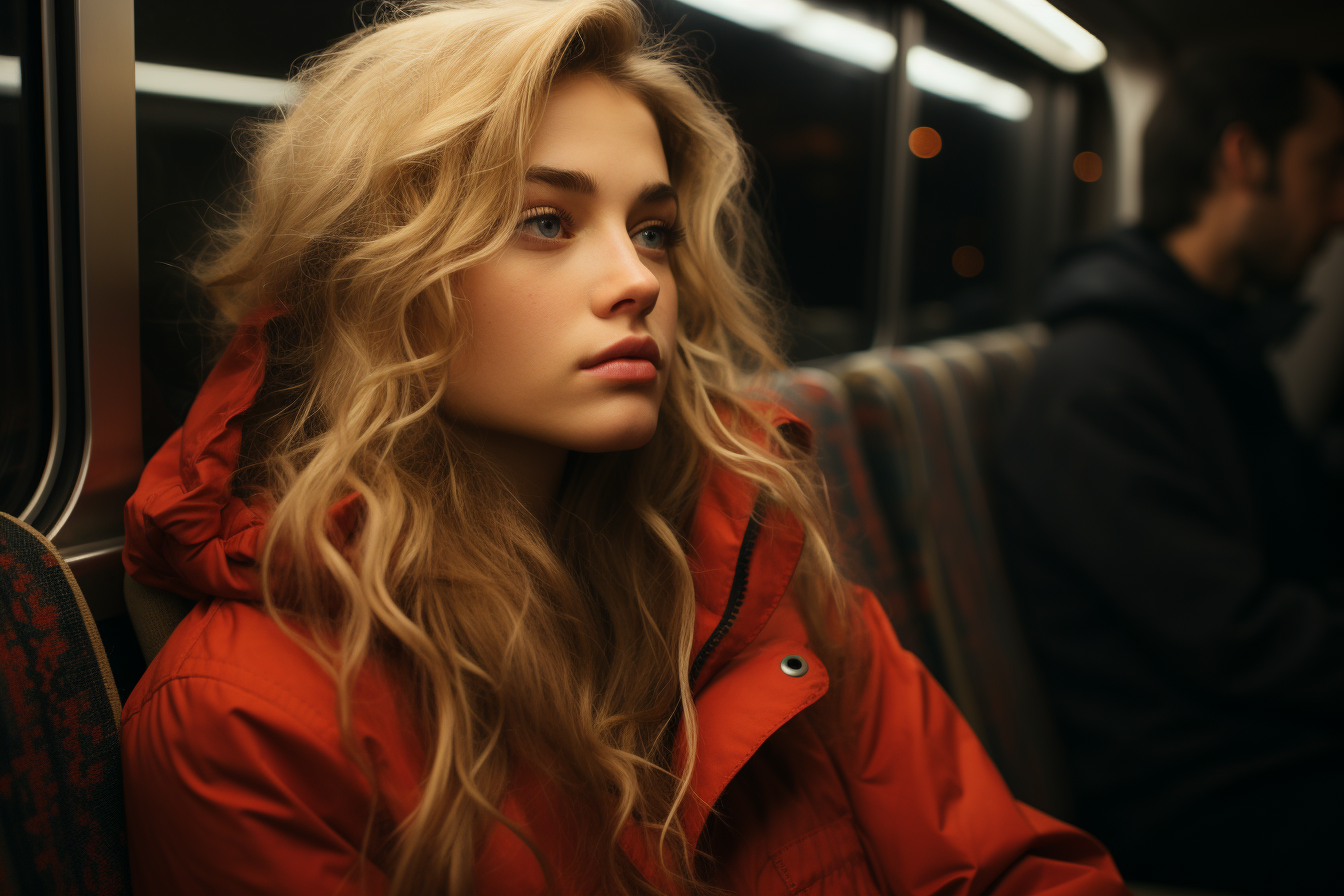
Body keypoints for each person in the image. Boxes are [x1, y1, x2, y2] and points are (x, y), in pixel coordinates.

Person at [119, 1, 1127, 893]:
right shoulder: (245, 717)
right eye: (547, 221)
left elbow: (1007, 867)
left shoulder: (758, 568)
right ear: (378, 276)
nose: (638, 279)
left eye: (652, 229)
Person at [995, 53, 1344, 894]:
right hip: (1203, 797)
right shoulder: (1099, 381)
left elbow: (1305, 526)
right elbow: (1237, 640)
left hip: (1267, 748)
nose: (1339, 209)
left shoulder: (1218, 347)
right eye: (1327, 168)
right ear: (1242, 159)